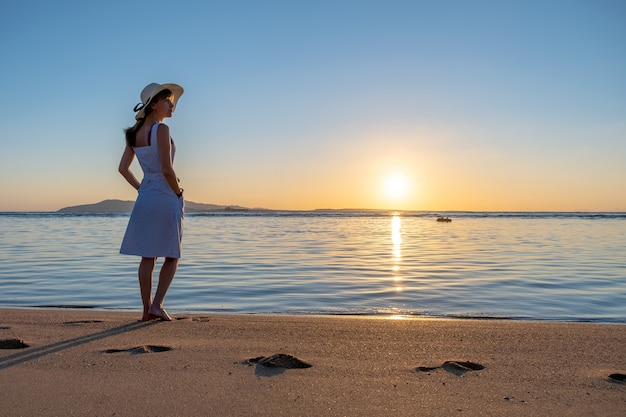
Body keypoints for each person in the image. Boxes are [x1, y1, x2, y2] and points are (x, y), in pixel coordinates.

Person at [118, 82, 185, 321]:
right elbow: (167, 168)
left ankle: (146, 310)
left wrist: (141, 188)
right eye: (167, 101)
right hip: (166, 195)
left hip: (146, 196)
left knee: (148, 255)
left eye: (172, 102)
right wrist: (177, 192)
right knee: (171, 254)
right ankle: (157, 305)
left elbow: (123, 169)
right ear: (154, 104)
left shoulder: (133, 134)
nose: (172, 105)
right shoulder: (162, 130)